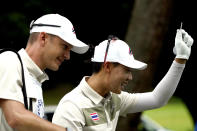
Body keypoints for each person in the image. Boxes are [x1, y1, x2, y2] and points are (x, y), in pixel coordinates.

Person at [52, 28, 194, 131]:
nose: (130, 77)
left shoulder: (114, 99)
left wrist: (180, 59)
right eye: (126, 70)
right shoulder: (72, 106)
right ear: (107, 66)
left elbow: (158, 99)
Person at [0, 13, 89, 131]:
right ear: (43, 38)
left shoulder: (35, 79)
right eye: (64, 46)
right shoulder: (9, 59)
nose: (68, 56)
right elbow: (15, 117)